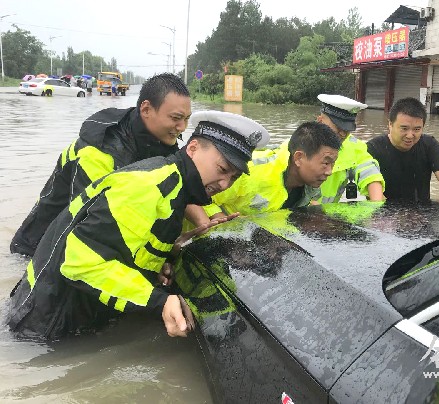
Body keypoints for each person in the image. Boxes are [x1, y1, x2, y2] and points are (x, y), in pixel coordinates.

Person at [6, 111, 270, 340]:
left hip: (70, 319)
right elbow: (80, 263)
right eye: (222, 169)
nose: (224, 184)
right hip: (44, 326)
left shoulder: (176, 189)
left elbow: (125, 245)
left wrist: (174, 251)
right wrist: (159, 302)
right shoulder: (148, 187)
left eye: (233, 177)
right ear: (192, 149)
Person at [10, 73, 192, 257]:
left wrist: (204, 219)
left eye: (186, 119)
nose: (182, 127)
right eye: (176, 118)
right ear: (146, 110)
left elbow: (178, 188)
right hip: (39, 248)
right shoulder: (99, 152)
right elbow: (95, 223)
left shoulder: (159, 139)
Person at [203, 121, 341, 217]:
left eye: (333, 164)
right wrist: (222, 220)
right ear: (299, 158)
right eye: (326, 163)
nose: (329, 171)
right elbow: (200, 197)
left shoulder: (311, 186)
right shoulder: (250, 171)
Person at [367, 97, 439, 204]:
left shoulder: (429, 145)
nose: (410, 135)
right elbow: (375, 195)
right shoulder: (373, 149)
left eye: (416, 129)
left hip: (422, 210)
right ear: (390, 125)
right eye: (404, 128)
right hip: (386, 209)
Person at [315, 94, 385, 203]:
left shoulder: (354, 146)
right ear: (320, 121)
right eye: (338, 128)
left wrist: (377, 205)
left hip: (326, 211)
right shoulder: (299, 144)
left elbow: (370, 173)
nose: (343, 134)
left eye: (347, 129)